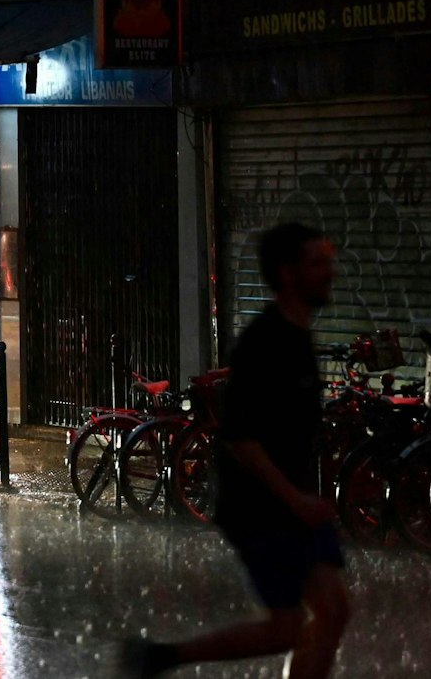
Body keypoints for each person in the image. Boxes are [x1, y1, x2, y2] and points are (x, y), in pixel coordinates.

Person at [121, 222, 353, 679]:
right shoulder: (264, 343)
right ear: (288, 274)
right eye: (317, 262)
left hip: (294, 503)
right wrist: (296, 499)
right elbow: (242, 439)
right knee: (289, 627)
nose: (330, 271)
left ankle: (159, 659)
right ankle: (162, 658)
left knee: (333, 610)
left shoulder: (299, 335)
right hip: (262, 507)